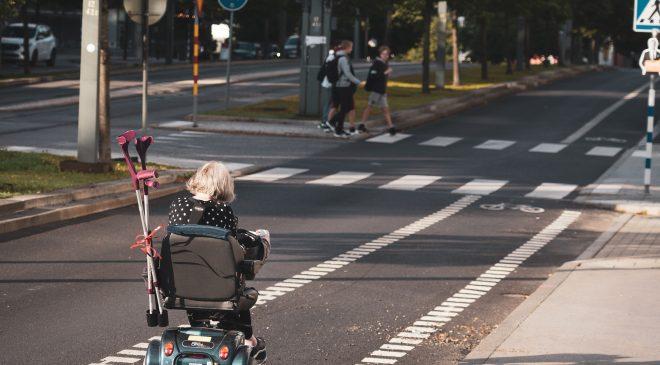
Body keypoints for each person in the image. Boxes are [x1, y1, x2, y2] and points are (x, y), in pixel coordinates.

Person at [168, 161, 268, 359]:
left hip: (183, 283)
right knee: (239, 282)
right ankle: (250, 340)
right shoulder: (223, 210)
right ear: (223, 185)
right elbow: (231, 248)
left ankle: (205, 327)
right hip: (219, 283)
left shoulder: (178, 204)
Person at [328, 40, 361, 138]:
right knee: (344, 109)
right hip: (344, 86)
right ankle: (335, 126)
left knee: (350, 107)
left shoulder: (337, 56)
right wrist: (358, 82)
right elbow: (347, 73)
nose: (352, 49)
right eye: (351, 47)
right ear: (347, 48)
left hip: (338, 86)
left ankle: (339, 128)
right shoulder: (343, 58)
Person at [362, 45, 396, 135]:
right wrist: (386, 72)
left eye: (387, 54)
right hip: (376, 90)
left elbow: (384, 77)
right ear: (380, 54)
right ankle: (362, 124)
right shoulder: (377, 63)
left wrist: (387, 73)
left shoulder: (385, 63)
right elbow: (374, 76)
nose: (386, 56)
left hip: (382, 91)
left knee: (385, 109)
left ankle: (391, 127)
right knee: (369, 106)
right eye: (384, 54)